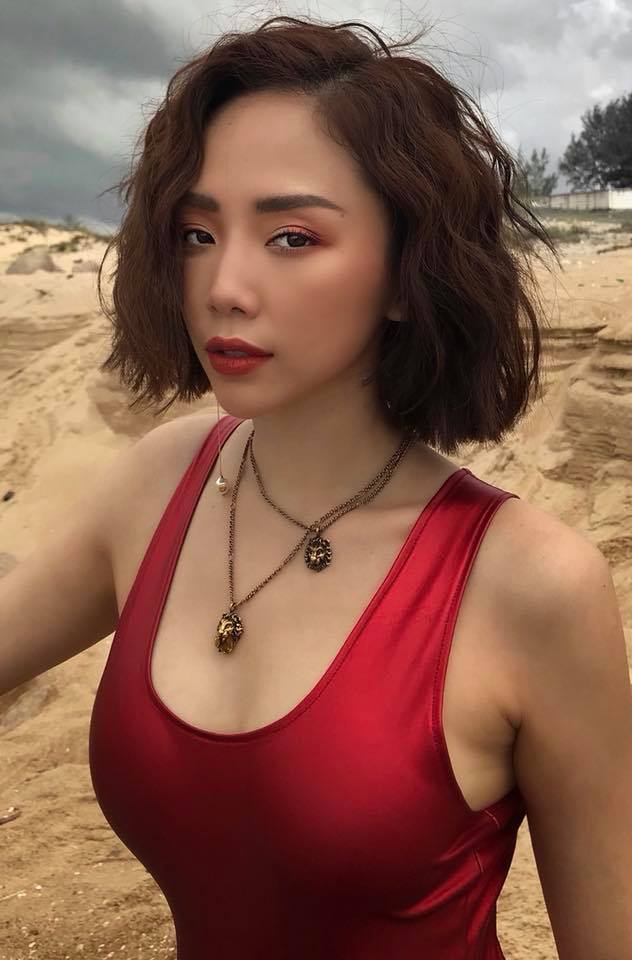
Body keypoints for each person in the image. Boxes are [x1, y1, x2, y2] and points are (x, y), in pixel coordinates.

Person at [2, 13, 631, 960]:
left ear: (407, 271)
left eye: (292, 236)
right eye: (197, 232)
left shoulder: (532, 585)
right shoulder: (158, 483)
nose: (224, 284)